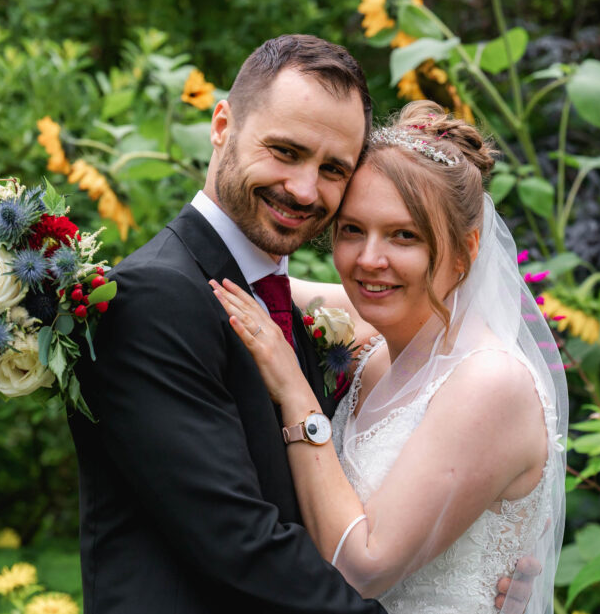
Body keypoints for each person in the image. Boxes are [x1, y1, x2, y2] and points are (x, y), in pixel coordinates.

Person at [68, 34, 385, 613]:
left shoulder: (274, 297)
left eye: (333, 169)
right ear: (222, 126)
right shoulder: (152, 297)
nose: (305, 189)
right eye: (286, 152)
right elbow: (238, 545)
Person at [210, 100, 567, 613]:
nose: (369, 260)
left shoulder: (490, 382)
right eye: (353, 229)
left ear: (466, 251)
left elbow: (362, 570)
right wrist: (76, 281)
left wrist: (295, 392)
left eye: (404, 236)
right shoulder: (376, 334)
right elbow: (236, 280)